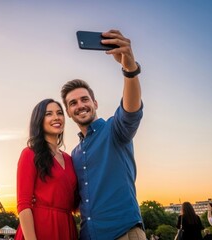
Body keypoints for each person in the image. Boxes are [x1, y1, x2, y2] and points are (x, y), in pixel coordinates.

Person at [60, 29, 145, 239]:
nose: (80, 105)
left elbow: (131, 110)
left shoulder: (115, 130)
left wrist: (129, 68)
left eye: (84, 99)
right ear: (69, 113)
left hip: (123, 232)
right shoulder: (75, 154)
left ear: (95, 103)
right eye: (73, 103)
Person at [15, 99, 78, 240]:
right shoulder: (30, 153)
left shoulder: (70, 159)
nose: (56, 117)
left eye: (60, 113)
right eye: (49, 114)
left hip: (67, 226)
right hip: (40, 227)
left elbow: (75, 203)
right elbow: (23, 204)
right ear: (39, 120)